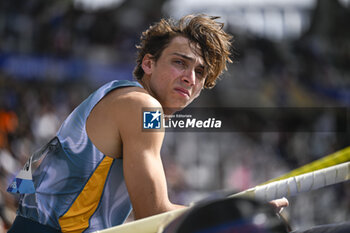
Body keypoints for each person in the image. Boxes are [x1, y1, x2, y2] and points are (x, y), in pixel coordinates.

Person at [7, 14, 287, 233]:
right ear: (148, 64)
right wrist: (237, 213)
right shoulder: (143, 106)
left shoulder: (120, 96)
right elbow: (154, 214)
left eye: (200, 72)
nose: (190, 77)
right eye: (180, 62)